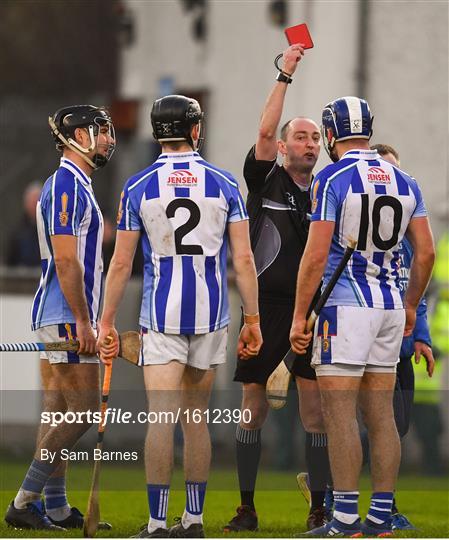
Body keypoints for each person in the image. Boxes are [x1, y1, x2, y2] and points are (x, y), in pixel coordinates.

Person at [97, 94, 262, 539]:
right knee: (196, 420)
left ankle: (155, 524)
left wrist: (106, 321)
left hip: (162, 316)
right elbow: (243, 261)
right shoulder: (225, 183)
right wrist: (254, 320)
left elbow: (119, 264)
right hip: (212, 316)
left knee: (161, 419)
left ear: (155, 133)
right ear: (195, 130)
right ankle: (192, 521)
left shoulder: (137, 186)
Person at [290, 96, 435, 537]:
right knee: (381, 416)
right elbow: (425, 251)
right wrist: (410, 305)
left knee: (339, 415)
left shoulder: (331, 177)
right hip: (390, 307)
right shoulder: (405, 179)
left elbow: (316, 256)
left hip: (345, 310)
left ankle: (347, 518)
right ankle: (381, 517)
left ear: (330, 134)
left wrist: (300, 316)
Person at [223, 44, 331, 533]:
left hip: (312, 310)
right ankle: (246, 507)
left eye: (314, 139)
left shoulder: (330, 188)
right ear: (284, 147)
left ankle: (319, 509)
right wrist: (284, 74)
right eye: (300, 137)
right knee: (253, 408)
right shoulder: (266, 179)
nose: (308, 144)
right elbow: (265, 129)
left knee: (315, 413)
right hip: (264, 308)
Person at [4, 105, 115, 531]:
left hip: (59, 313)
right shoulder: (68, 184)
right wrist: (85, 322)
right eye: (100, 132)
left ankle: (55, 507)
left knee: (57, 413)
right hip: (68, 315)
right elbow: (68, 262)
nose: (107, 139)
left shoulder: (74, 184)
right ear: (79, 136)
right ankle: (23, 501)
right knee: (83, 412)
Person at [369, 144, 435, 529]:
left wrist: (422, 339)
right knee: (379, 422)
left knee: (398, 426)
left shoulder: (409, 238)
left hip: (401, 343)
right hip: (368, 339)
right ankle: (371, 504)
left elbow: (417, 294)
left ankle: (328, 486)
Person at [6, 181, 42, 267]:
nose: (34, 206)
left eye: (36, 202)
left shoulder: (50, 230)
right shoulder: (17, 233)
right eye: (32, 202)